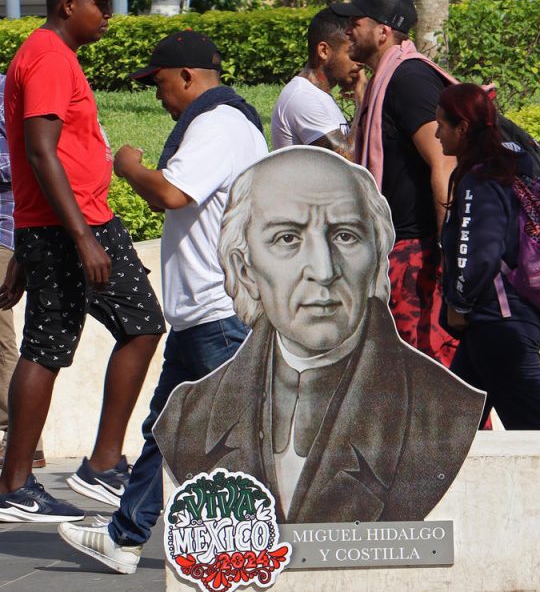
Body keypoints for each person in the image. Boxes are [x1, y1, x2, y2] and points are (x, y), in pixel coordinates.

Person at [154, 148, 484, 523]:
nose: (324, 270)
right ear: (244, 269)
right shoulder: (188, 416)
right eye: (287, 239)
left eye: (345, 235)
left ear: (376, 258)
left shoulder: (445, 411)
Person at [57, 30, 267, 574]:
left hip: (219, 313)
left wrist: (128, 165)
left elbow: (173, 193)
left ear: (189, 77)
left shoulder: (219, 125)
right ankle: (125, 539)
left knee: (231, 439)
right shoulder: (221, 123)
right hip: (201, 313)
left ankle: (244, 550)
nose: (157, 96)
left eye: (159, 83)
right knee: (164, 431)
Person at [0, 0, 165, 523]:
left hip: (61, 224)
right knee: (136, 325)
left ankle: (36, 479)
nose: (109, 17)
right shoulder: (47, 58)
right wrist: (81, 237)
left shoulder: (50, 55)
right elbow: (41, 152)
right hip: (78, 225)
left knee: (56, 341)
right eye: (102, 5)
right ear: (69, 4)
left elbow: (40, 157)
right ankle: (85, 468)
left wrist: (30, 244)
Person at [330, 0, 459, 367]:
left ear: (383, 31)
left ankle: (472, 434)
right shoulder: (381, 82)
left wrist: (450, 257)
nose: (347, 30)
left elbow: (444, 162)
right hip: (395, 255)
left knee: (433, 380)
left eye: (356, 22)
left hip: (420, 258)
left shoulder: (409, 79)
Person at [435, 83, 540, 431]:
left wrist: (459, 303)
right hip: (506, 319)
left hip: (498, 323)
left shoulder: (479, 181)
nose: (436, 134)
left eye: (442, 124)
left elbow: (478, 249)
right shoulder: (509, 168)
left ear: (462, 127)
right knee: (450, 428)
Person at [0, 74, 44, 472]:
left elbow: (27, 158)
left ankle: (23, 439)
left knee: (2, 338)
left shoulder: (3, 90)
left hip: (3, 232)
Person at [270, 8, 363, 154]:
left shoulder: (318, 94)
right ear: (324, 51)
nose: (360, 62)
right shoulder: (303, 98)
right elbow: (347, 162)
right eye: (351, 53)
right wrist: (363, 102)